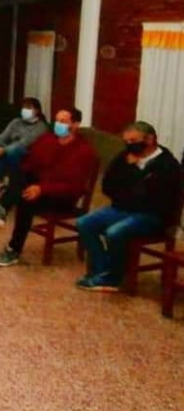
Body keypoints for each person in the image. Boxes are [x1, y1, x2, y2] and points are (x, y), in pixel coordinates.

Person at [75, 122, 182, 292]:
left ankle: (113, 278)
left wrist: (131, 176)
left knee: (114, 232)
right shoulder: (123, 158)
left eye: (133, 141)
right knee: (84, 223)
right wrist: (132, 187)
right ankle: (101, 270)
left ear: (149, 139)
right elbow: (108, 185)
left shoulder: (167, 165)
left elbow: (151, 197)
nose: (129, 145)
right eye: (127, 141)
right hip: (122, 209)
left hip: (152, 216)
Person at [0, 108, 97, 266]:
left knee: (26, 200)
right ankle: (2, 209)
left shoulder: (83, 151)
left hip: (62, 196)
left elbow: (72, 186)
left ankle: (13, 249)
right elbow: (29, 163)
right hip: (40, 184)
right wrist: (24, 178)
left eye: (63, 121)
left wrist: (41, 189)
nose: (58, 124)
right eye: (56, 120)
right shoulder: (47, 140)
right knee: (19, 172)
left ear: (75, 124)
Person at [0, 97, 49, 193]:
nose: (25, 110)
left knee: (14, 150)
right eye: (24, 107)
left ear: (37, 110)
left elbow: (25, 142)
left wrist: (3, 150)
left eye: (29, 108)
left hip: (29, 152)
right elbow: (3, 136)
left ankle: (14, 181)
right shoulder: (16, 122)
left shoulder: (41, 126)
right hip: (10, 149)